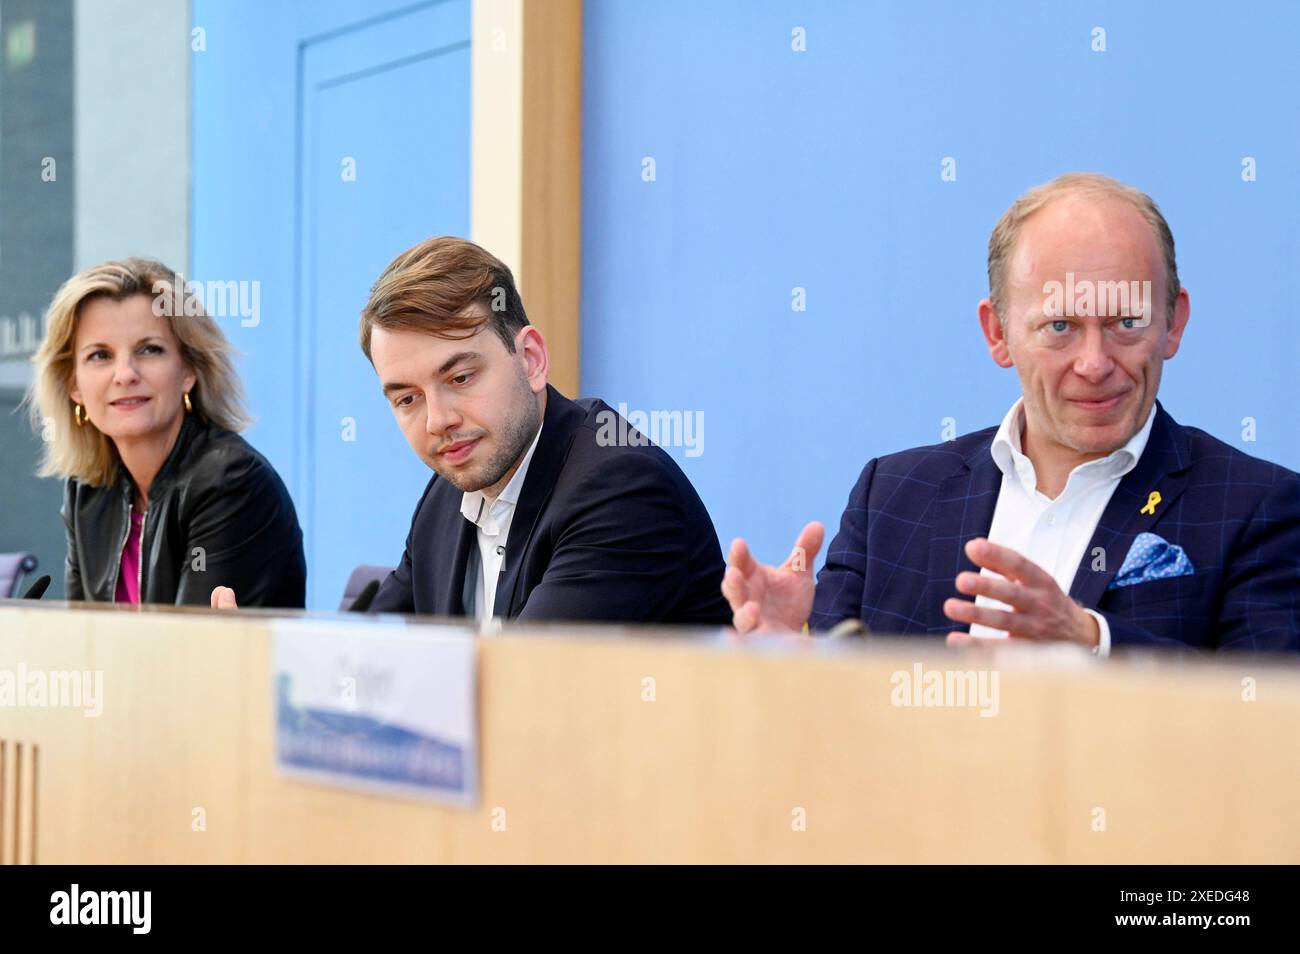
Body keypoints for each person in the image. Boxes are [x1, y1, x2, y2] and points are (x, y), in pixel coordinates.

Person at [723, 173, 1300, 653]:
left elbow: (1271, 718)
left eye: (1126, 323)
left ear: (1172, 322)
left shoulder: (1257, 509)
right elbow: (837, 720)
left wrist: (1091, 643)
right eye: (1060, 327)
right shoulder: (892, 498)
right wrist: (789, 654)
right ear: (998, 334)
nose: (1095, 363)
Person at [213, 237, 729, 625]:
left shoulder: (621, 487)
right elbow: (373, 659)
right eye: (407, 399)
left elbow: (522, 692)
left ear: (529, 359)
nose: (438, 420)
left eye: (460, 378)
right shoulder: (446, 496)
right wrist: (268, 670)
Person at [30, 257, 306, 607]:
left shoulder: (230, 481)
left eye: (149, 350)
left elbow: (187, 651)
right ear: (74, 385)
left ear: (189, 369)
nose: (125, 374)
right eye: (100, 355)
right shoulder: (88, 491)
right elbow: (84, 641)